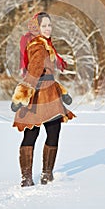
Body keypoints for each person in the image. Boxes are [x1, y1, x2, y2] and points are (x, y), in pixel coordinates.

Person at [11, 12, 76, 187]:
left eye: (49, 25)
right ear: (36, 28)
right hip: (40, 95)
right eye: (44, 26)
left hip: (48, 94)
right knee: (38, 133)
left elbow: (47, 74)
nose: (48, 28)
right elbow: (34, 73)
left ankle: (41, 176)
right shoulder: (39, 46)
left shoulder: (46, 45)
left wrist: (62, 92)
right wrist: (21, 95)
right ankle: (34, 176)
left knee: (45, 132)